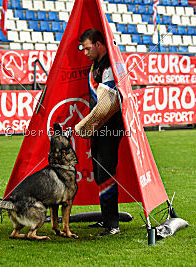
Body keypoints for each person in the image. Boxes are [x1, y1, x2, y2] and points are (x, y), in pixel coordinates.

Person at [75, 29, 125, 236]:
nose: (85, 52)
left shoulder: (109, 67)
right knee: (99, 174)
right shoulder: (96, 64)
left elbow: (108, 105)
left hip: (109, 128)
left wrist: (83, 126)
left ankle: (113, 224)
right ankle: (106, 219)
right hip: (98, 128)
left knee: (106, 173)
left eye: (88, 48)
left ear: (98, 44)